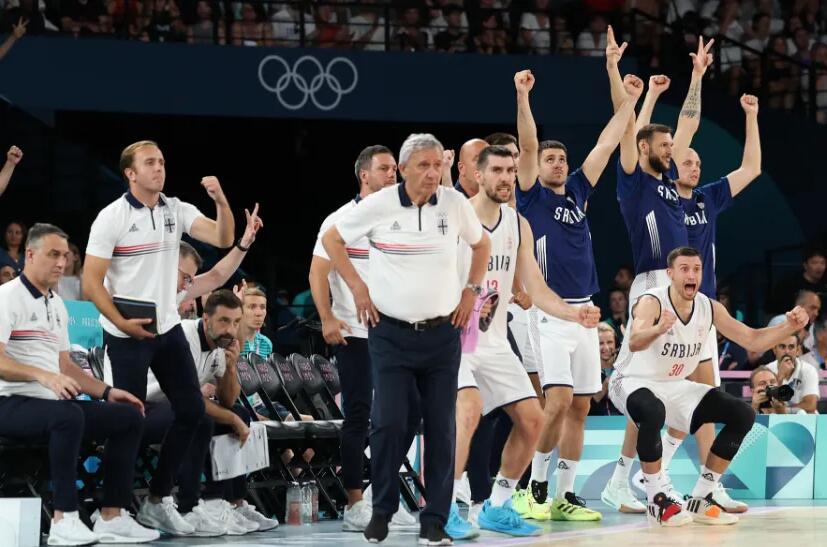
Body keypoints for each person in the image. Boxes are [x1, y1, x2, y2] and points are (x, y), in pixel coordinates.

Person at [322, 133, 491, 545]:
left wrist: (471, 291)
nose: (433, 173)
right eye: (423, 165)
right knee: (389, 421)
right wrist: (358, 287)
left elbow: (481, 243)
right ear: (402, 169)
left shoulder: (453, 204)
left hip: (443, 334)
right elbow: (332, 240)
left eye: (437, 165)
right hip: (390, 334)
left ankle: (434, 521)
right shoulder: (379, 205)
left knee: (442, 428)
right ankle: (382, 510)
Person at [83, 140, 235, 535]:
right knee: (128, 418)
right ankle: (111, 514)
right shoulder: (111, 217)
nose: (159, 168)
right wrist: (121, 322)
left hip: (166, 329)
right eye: (150, 163)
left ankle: (156, 501)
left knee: (193, 411)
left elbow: (222, 237)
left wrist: (220, 201)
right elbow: (90, 282)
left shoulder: (176, 209)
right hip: (126, 333)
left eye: (162, 162)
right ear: (130, 173)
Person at [512, 60, 641, 522]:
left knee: (582, 406)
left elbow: (607, 142)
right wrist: (523, 96)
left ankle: (565, 494)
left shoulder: (579, 192)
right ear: (536, 167)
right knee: (559, 401)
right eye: (551, 159)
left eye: (562, 159)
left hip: (586, 312)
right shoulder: (529, 195)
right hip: (549, 312)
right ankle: (535, 487)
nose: (558, 164)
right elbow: (528, 143)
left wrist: (629, 101)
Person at [449, 145, 601, 538]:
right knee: (468, 412)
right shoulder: (456, 217)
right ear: (478, 175)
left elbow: (537, 286)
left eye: (510, 171)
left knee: (534, 420)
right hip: (457, 338)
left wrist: (573, 314)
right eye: (497, 170)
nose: (505, 178)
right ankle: (444, 506)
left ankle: (498, 505)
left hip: (495, 340)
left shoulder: (518, 225)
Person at [608, 246, 808, 527]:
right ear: (670, 274)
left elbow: (752, 339)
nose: (691, 275)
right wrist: (658, 328)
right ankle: (656, 500)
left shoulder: (709, 307)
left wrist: (788, 327)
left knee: (742, 414)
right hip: (630, 380)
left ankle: (702, 496)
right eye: (684, 269)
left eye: (696, 269)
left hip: (674, 385)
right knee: (653, 411)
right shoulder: (652, 301)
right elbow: (635, 341)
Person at [602, 29, 715, 508]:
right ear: (645, 146)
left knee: (689, 386)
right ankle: (624, 480)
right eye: (664, 146)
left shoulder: (669, 178)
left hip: (684, 287)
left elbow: (688, 125)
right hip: (653, 284)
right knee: (643, 388)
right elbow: (627, 123)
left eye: (673, 146)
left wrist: (697, 76)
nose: (673, 151)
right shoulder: (633, 180)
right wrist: (617, 74)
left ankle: (662, 478)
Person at [0, 223, 159, 545]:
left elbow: (66, 366)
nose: (62, 262)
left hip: (48, 406)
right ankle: (64, 519)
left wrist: (108, 391)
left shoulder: (57, 304)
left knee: (128, 416)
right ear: (30, 255)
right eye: (53, 254)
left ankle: (112, 516)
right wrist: (43, 375)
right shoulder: (6, 297)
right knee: (68, 416)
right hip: (9, 403)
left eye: (65, 255)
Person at [309, 144, 403, 531]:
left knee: (399, 416)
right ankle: (354, 504)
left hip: (395, 332)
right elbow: (317, 273)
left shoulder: (402, 220)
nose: (393, 174)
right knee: (359, 416)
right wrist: (327, 317)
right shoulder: (340, 220)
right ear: (364, 175)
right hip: (356, 333)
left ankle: (384, 497)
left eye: (395, 168)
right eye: (384, 168)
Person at [142, 290, 277, 535]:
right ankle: (189, 507)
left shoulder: (221, 344)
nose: (230, 329)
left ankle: (227, 503)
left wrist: (231, 368)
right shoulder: (185, 337)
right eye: (224, 321)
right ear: (206, 319)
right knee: (201, 417)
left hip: (179, 407)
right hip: (147, 406)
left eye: (236, 322)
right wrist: (231, 418)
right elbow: (190, 400)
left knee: (240, 414)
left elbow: (227, 399)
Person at [764, 334, 821, 413]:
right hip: (776, 417)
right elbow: (767, 405)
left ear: (797, 350)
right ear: (774, 349)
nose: (787, 351)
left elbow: (810, 405)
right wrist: (780, 377)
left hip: (805, 418)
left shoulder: (809, 370)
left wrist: (784, 410)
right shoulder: (767, 370)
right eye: (782, 347)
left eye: (791, 347)